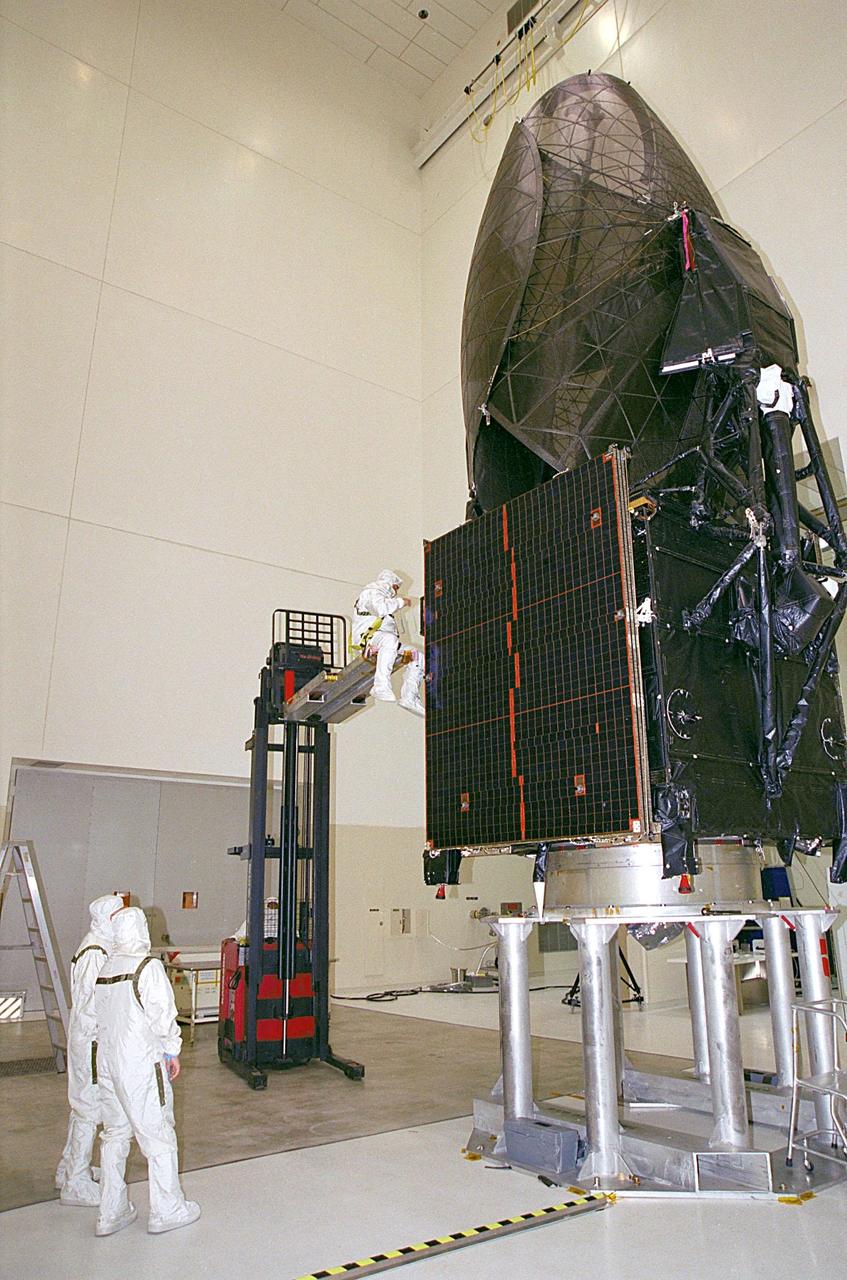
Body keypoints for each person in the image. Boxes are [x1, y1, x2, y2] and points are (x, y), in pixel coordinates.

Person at [94, 907, 200, 1236]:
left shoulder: (107, 967)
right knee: (158, 1135)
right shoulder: (147, 967)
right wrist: (172, 1049)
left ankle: (110, 1211)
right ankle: (167, 1210)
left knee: (114, 1135)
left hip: (108, 1062)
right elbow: (163, 1015)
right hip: (140, 1064)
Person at [55, 894, 126, 1206]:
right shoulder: (96, 952)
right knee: (89, 1109)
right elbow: (92, 1007)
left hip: (87, 1040)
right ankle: (76, 1182)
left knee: (82, 1105)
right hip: (93, 1042)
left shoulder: (95, 945)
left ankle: (69, 1167)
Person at [353, 569, 425, 716]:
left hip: (382, 640)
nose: (396, 592)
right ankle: (380, 685)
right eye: (396, 588)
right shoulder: (371, 592)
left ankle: (409, 697)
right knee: (389, 640)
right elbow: (380, 608)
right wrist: (401, 602)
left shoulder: (383, 597)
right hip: (370, 638)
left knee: (417, 655)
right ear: (390, 584)